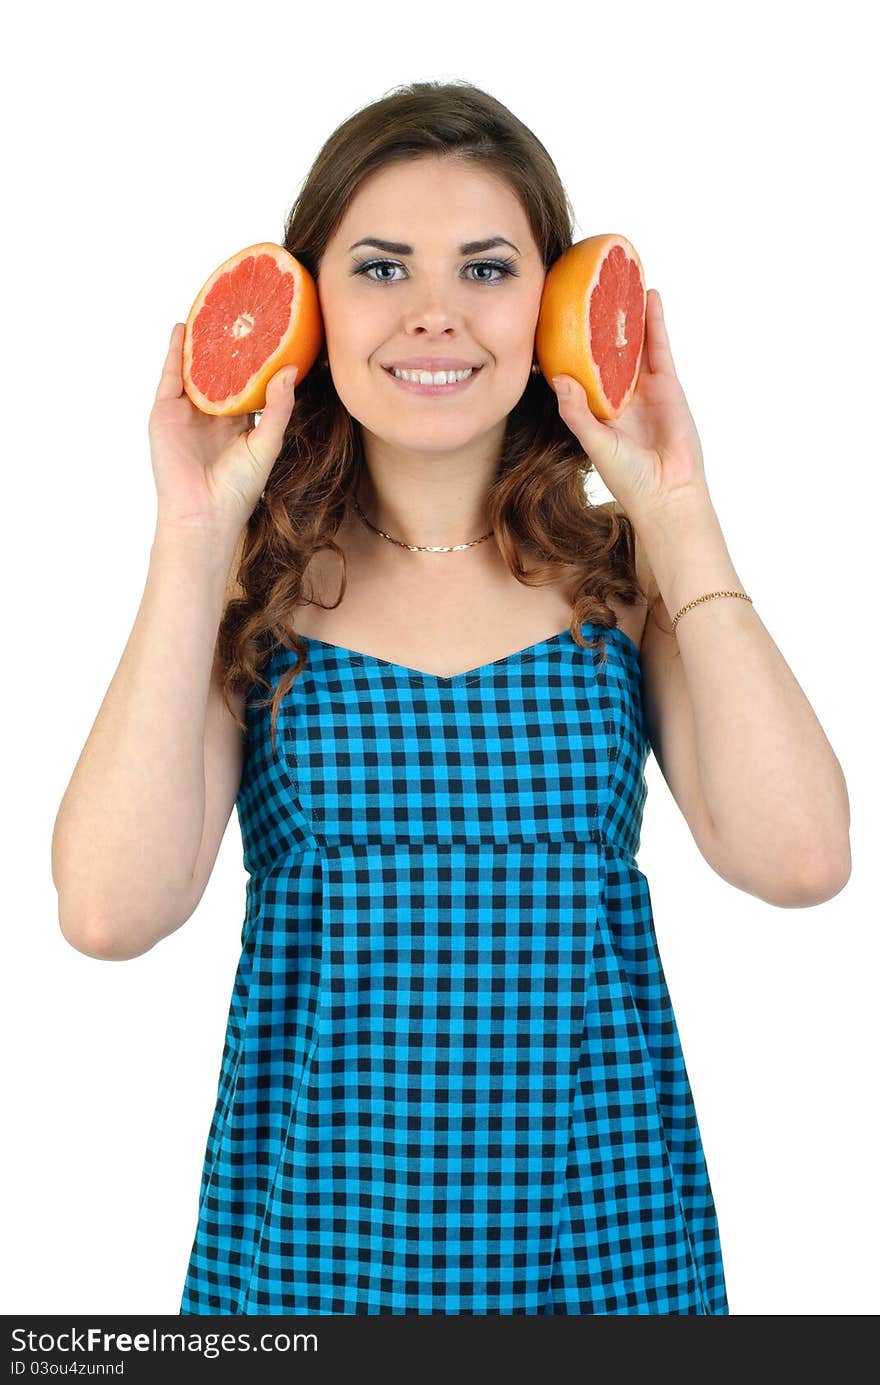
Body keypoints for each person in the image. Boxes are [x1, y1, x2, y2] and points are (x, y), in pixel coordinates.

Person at [51, 80, 851, 1316]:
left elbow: (800, 857)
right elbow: (108, 911)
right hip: (310, 1244)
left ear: (550, 302)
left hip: (607, 1241)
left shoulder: (627, 588)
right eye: (381, 267)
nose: (436, 314)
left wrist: (674, 508)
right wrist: (192, 535)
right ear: (312, 302)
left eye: (486, 270)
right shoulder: (245, 592)